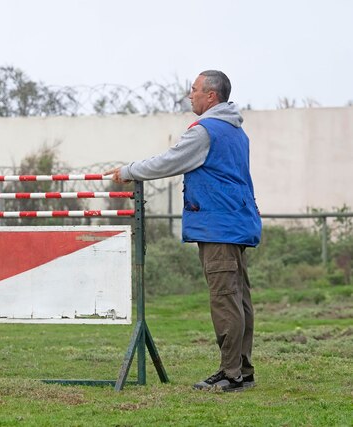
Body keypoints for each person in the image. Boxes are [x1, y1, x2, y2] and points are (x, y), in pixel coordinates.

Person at [105, 70, 262, 392]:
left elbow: (169, 162)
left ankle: (231, 374)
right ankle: (242, 370)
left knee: (224, 300)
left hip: (219, 227)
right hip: (236, 222)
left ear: (211, 96)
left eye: (194, 90)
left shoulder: (207, 131)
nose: (190, 96)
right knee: (239, 300)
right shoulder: (236, 131)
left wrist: (128, 171)